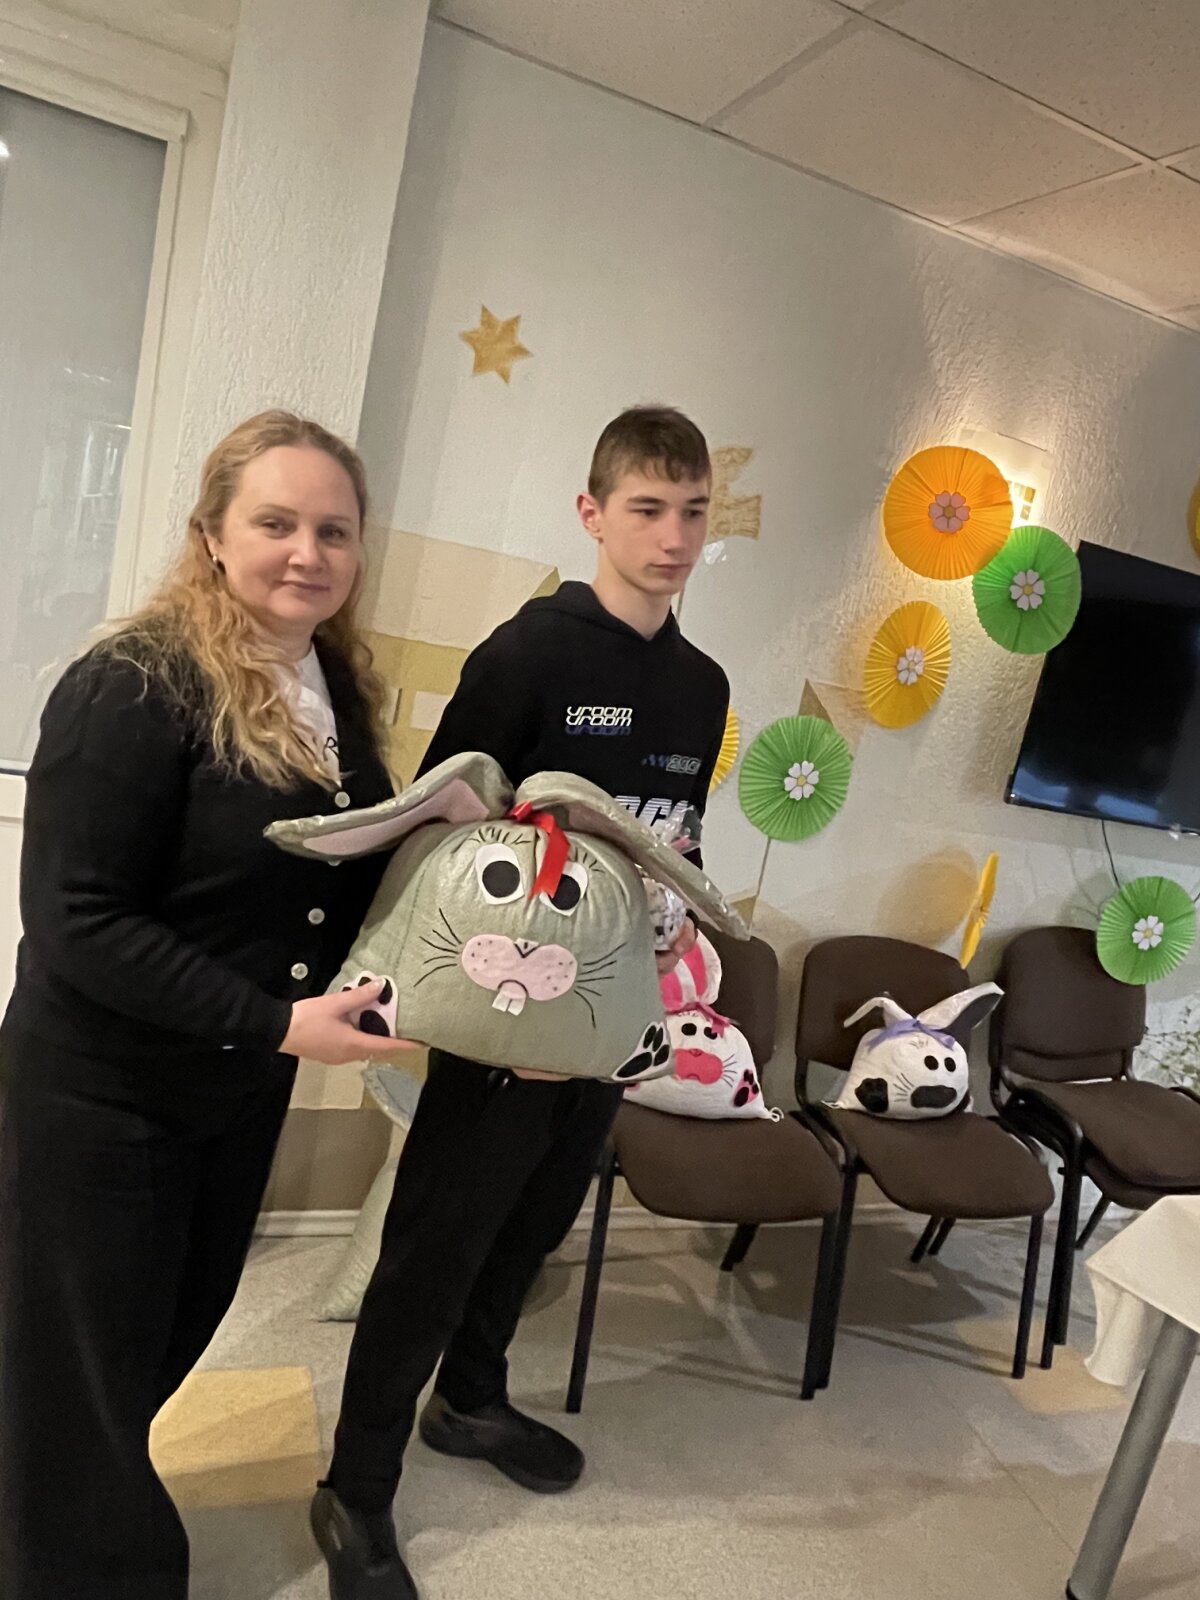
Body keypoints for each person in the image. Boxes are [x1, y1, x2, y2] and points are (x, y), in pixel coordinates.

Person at [312, 405, 730, 1600]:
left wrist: (672, 947)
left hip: (608, 1022)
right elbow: (448, 830)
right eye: (646, 508)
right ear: (592, 512)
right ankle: (355, 1486)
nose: (673, 535)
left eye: (693, 511)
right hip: (505, 1017)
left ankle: (472, 1399)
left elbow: (678, 842)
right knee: (430, 1254)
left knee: (535, 1223)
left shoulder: (702, 685)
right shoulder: (527, 654)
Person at [0, 410, 415, 1600]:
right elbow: (77, 919)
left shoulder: (334, 682)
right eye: (276, 522)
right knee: (80, 1386)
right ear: (212, 535)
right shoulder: (132, 684)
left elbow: (325, 871)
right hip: (102, 1096)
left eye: (334, 530)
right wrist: (282, 1022)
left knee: (152, 1353)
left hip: (230, 1092)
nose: (308, 553)